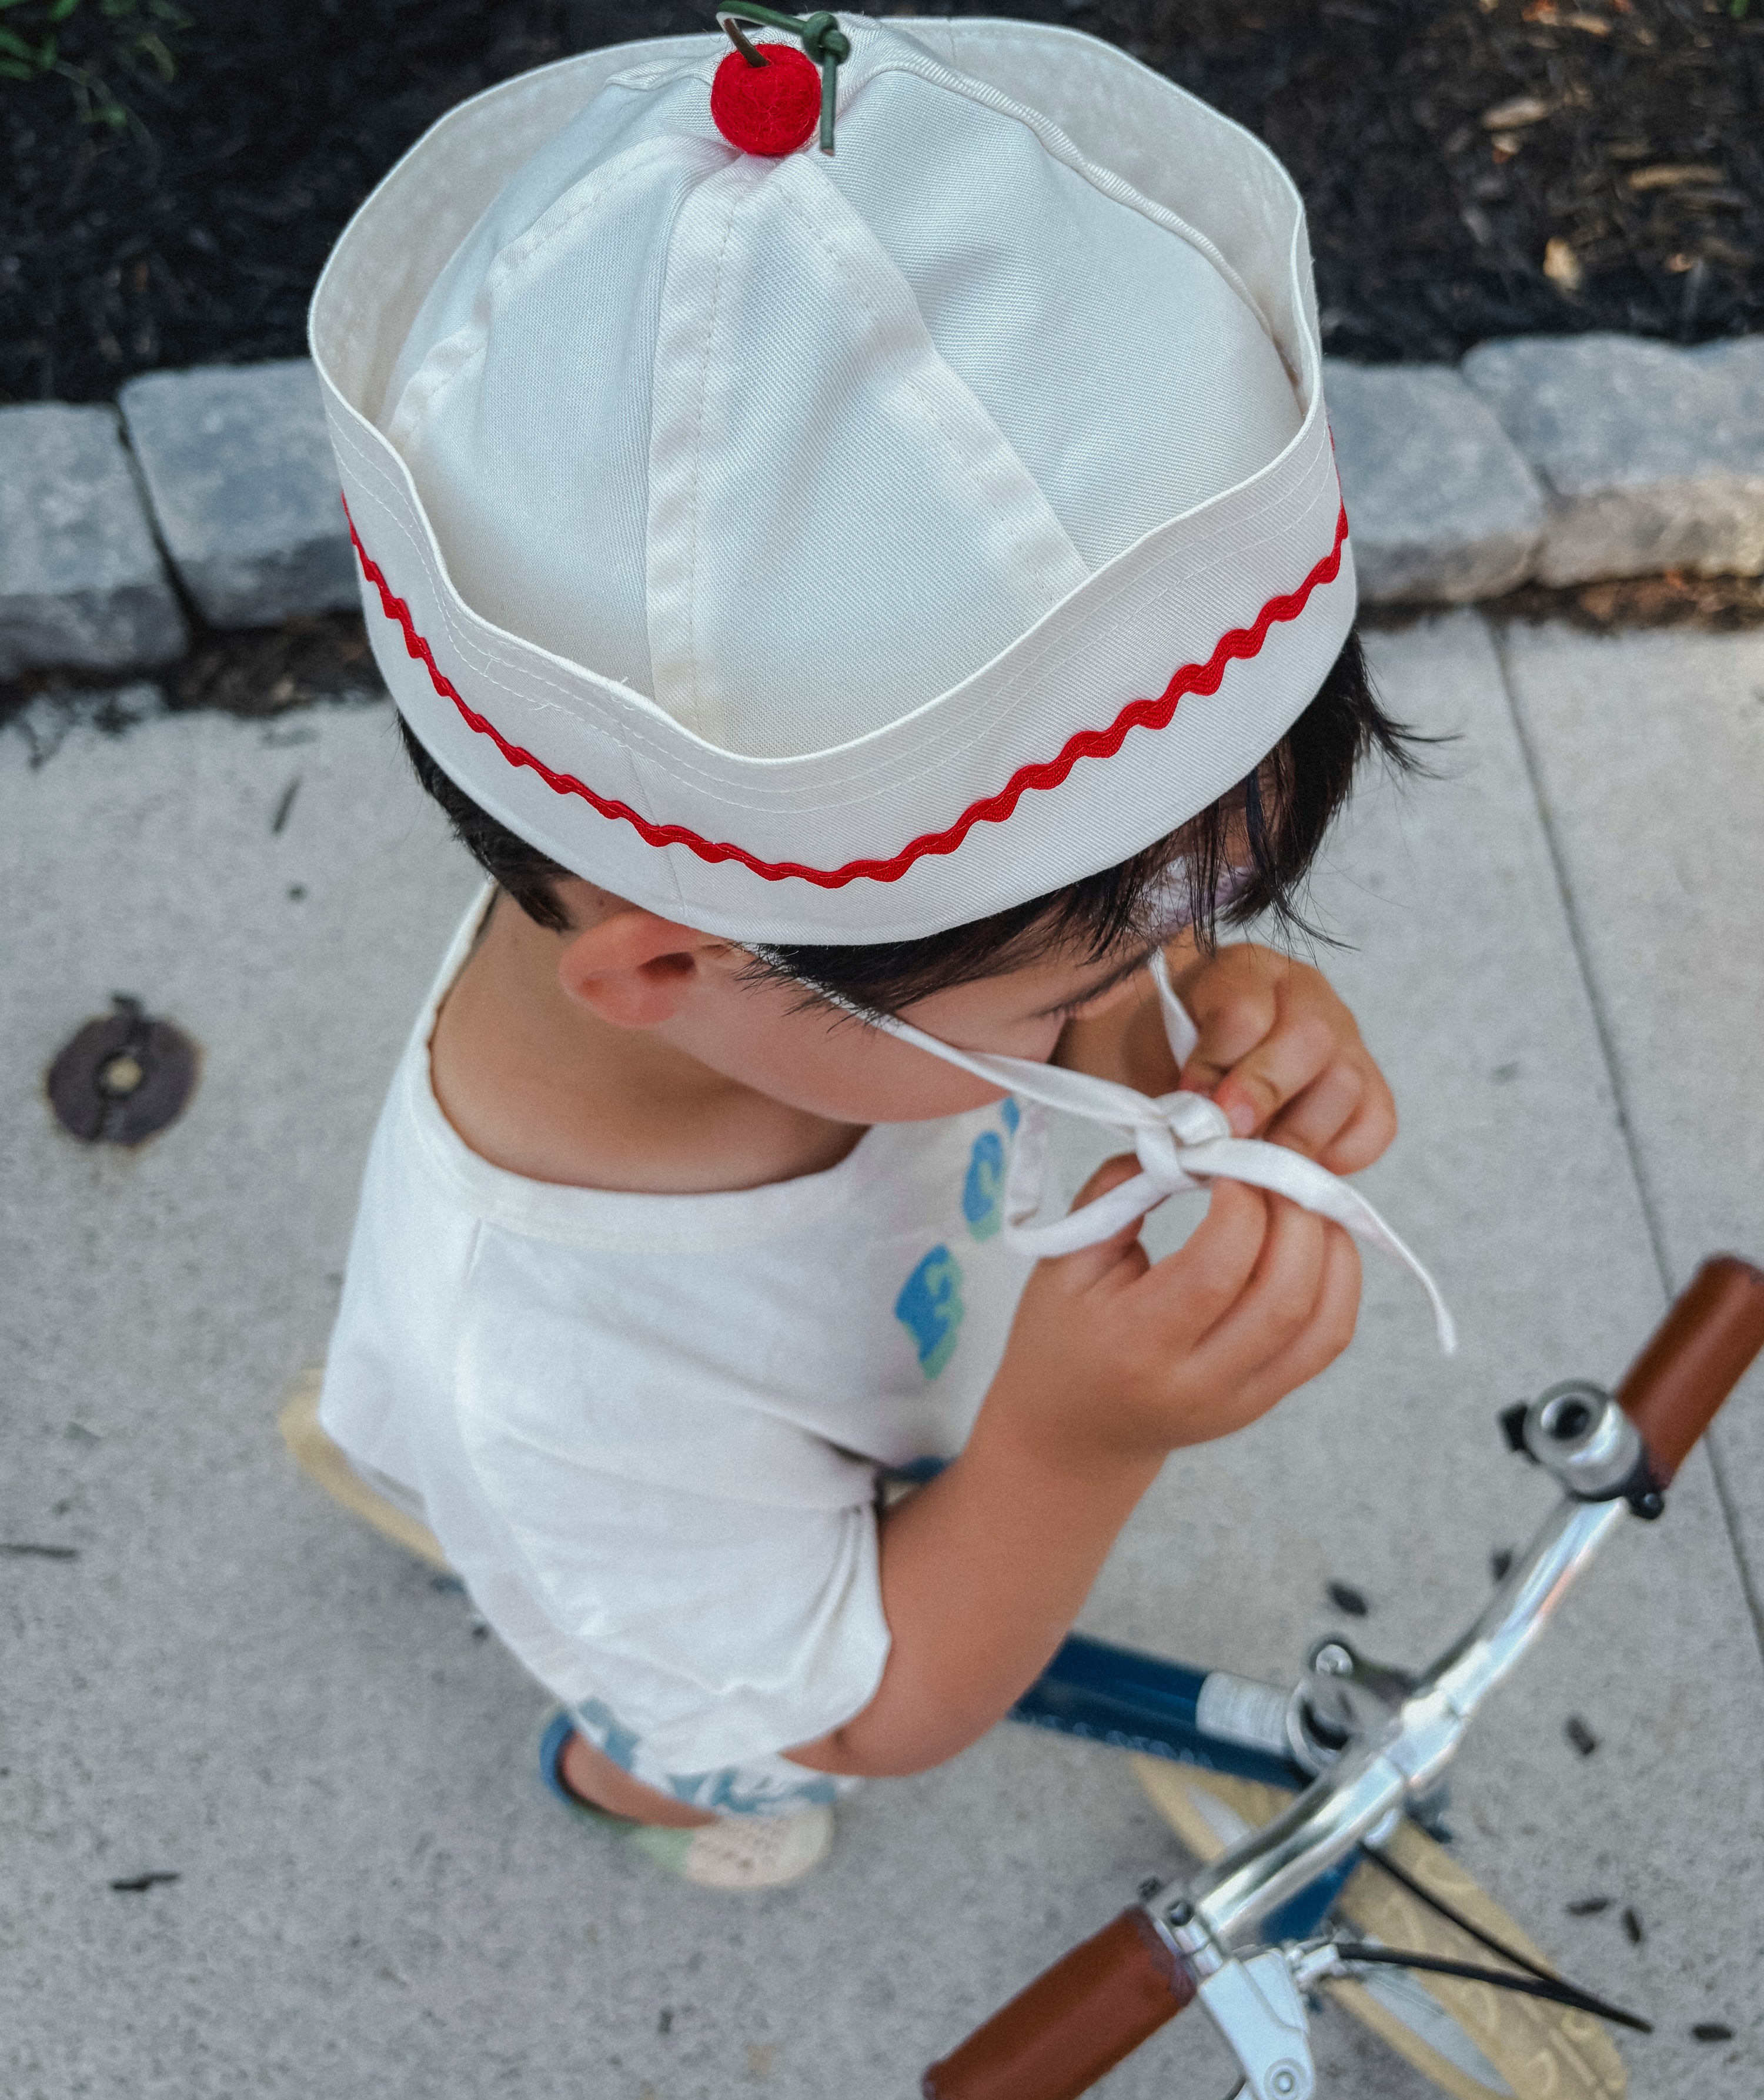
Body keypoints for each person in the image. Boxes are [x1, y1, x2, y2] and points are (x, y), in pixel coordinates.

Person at [300, 11, 1443, 1890]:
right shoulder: (551, 1384)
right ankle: (630, 1787)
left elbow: (1022, 976)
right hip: (709, 1550)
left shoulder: (761, 970)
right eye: (1085, 995)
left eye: (1176, 942)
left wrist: (1187, 1048)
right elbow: (854, 1712)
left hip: (874, 1366)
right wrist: (1073, 1449)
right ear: (669, 966)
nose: (1143, 1003)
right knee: (719, 1743)